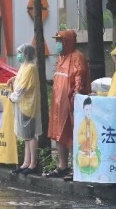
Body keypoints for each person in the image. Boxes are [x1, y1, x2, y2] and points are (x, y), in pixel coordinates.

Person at [46, 30, 90, 178]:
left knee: (73, 134)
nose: (58, 44)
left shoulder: (77, 57)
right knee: (58, 134)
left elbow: (80, 76)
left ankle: (76, 167)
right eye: (57, 40)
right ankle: (62, 166)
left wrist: (77, 93)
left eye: (60, 40)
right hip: (58, 104)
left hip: (70, 103)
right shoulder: (61, 58)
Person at [8, 44, 42, 174]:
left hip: (28, 105)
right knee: (26, 137)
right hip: (22, 105)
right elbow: (21, 80)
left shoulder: (31, 68)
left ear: (26, 54)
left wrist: (13, 97)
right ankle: (26, 163)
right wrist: (14, 78)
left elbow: (23, 86)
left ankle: (33, 164)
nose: (19, 55)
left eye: (21, 52)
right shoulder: (24, 67)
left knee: (31, 135)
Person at [76, 96, 99, 170]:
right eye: (86, 110)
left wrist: (92, 148)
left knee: (95, 163)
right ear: (83, 110)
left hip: (91, 149)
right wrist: (85, 138)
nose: (88, 112)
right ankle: (86, 159)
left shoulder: (93, 123)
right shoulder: (82, 123)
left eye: (90, 110)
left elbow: (95, 136)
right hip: (84, 148)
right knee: (81, 163)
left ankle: (90, 158)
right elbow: (79, 136)